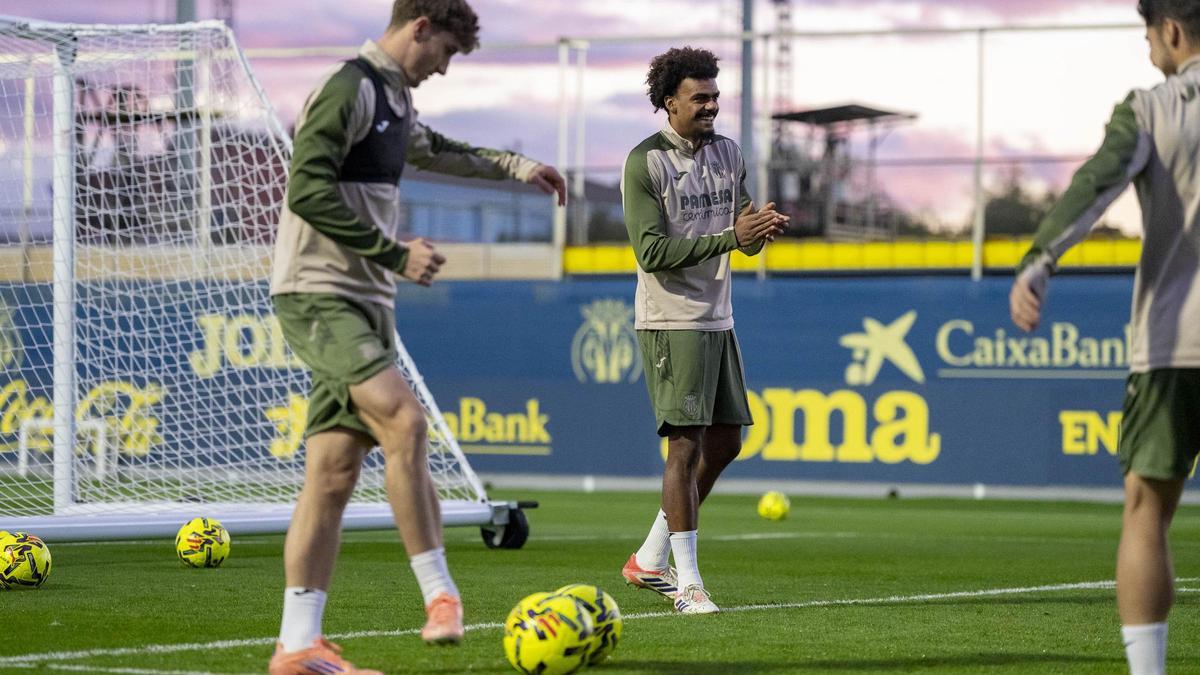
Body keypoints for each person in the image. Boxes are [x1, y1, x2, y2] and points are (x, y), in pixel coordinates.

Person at [266, 1, 566, 672]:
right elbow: (305, 190)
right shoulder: (350, 86)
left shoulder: (395, 101)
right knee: (405, 421)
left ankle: (297, 645)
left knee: (333, 473)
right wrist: (394, 250)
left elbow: (441, 151)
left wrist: (519, 168)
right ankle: (440, 596)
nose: (445, 69)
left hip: (366, 300)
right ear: (420, 28)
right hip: (319, 292)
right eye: (447, 53)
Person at [1009, 2, 1200, 673]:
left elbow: (1098, 183)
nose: (1150, 50)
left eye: (1149, 37)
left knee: (1147, 508)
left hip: (1178, 343)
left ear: (1170, 32)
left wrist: (1039, 258)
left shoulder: (1151, 107)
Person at [619, 46, 787, 615]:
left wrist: (759, 228)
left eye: (715, 96)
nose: (712, 105)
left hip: (718, 316)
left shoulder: (728, 153)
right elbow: (651, 252)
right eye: (701, 97)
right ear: (669, 102)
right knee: (684, 448)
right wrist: (731, 240)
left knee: (726, 442)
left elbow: (740, 226)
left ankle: (648, 556)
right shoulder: (645, 163)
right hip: (671, 319)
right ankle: (686, 583)